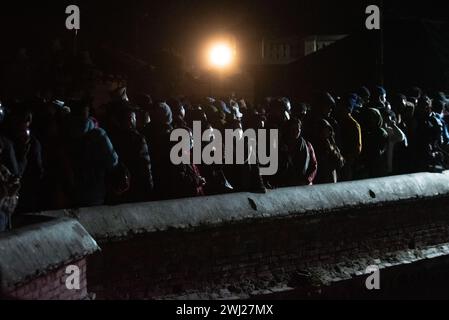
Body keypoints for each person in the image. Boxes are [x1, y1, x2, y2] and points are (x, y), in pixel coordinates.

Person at [65, 99, 119, 207]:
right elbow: (113, 161)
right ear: (87, 112)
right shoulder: (98, 134)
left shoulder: (63, 132)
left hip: (69, 192)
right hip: (95, 191)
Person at [108, 105, 154, 204]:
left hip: (117, 187)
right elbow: (145, 165)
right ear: (130, 119)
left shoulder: (111, 137)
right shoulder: (138, 139)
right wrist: (149, 187)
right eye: (134, 118)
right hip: (136, 186)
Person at [274, 119, 317, 187]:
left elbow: (314, 165)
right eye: (292, 128)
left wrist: (307, 180)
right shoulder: (280, 145)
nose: (295, 131)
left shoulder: (307, 145)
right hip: (284, 185)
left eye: (297, 128)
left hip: (303, 185)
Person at [334, 94, 362, 181]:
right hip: (338, 159)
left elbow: (358, 148)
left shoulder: (353, 124)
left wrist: (348, 158)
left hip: (346, 161)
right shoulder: (338, 121)